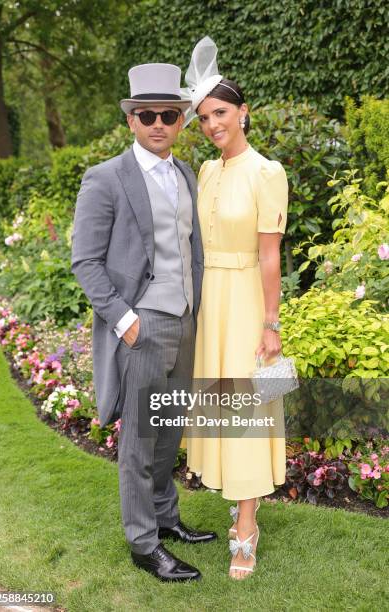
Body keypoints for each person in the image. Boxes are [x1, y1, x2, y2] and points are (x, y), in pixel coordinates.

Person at [71, 62, 217, 583]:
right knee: (138, 438)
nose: (159, 123)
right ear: (131, 120)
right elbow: (85, 260)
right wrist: (123, 318)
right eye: (147, 114)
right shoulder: (106, 178)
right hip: (141, 324)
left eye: (169, 114)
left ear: (180, 122)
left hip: (184, 321)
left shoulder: (184, 175)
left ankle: (165, 517)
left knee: (168, 429)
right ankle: (142, 543)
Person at [184, 38, 289, 580]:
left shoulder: (266, 172)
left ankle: (246, 528)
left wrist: (271, 324)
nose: (211, 124)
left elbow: (270, 255)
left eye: (220, 113)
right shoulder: (205, 171)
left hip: (248, 299)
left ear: (243, 111)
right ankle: (239, 503)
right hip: (212, 306)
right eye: (202, 117)